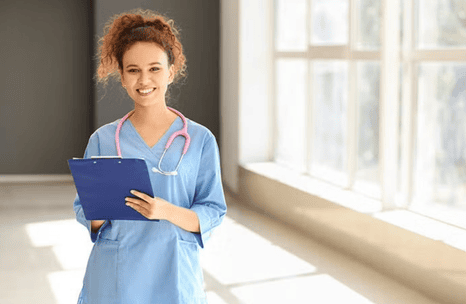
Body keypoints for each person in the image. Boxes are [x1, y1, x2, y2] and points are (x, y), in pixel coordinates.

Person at [72, 8, 227, 303]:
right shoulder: (103, 140)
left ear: (171, 71)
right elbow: (85, 211)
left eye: (155, 68)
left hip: (174, 276)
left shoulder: (200, 140)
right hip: (116, 278)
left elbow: (213, 210)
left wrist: (164, 211)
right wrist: (98, 213)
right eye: (133, 70)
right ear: (122, 76)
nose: (144, 80)